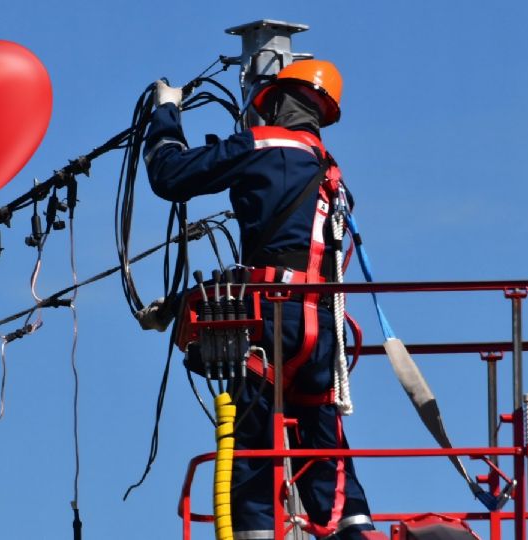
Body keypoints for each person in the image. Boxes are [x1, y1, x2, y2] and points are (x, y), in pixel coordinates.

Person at [141, 61, 375, 540]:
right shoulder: (330, 172)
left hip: (270, 320)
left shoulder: (262, 146)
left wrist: (165, 115)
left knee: (254, 446)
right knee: (323, 444)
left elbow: (169, 176)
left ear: (273, 102)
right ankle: (355, 530)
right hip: (322, 328)